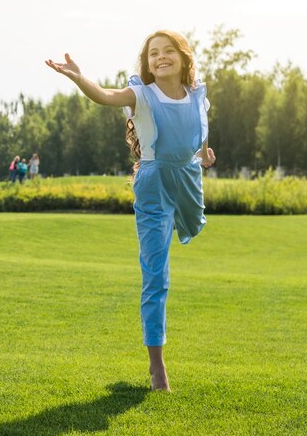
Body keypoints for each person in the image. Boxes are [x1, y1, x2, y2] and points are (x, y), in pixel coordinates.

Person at [45, 30, 216, 392]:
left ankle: (179, 221)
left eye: (169, 51)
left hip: (187, 180)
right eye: (154, 53)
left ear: (184, 59)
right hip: (153, 186)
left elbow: (197, 134)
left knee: (194, 229)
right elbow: (105, 95)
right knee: (157, 276)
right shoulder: (141, 94)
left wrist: (202, 155)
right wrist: (79, 78)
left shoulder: (197, 96)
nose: (161, 57)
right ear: (148, 63)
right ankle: (157, 367)